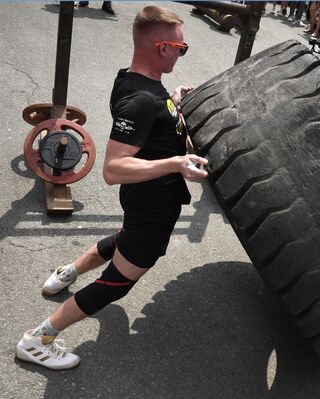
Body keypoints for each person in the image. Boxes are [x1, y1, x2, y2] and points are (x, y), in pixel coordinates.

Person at [15, 5, 209, 370]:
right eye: (181, 49)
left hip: (144, 203)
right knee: (118, 282)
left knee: (124, 238)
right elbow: (113, 168)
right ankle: (38, 338)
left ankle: (66, 274)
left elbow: (151, 120)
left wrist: (174, 104)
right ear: (162, 48)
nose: (182, 54)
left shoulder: (134, 82)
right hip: (153, 203)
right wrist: (176, 163)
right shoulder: (142, 100)